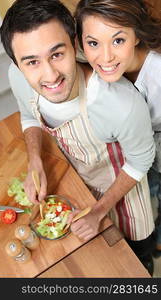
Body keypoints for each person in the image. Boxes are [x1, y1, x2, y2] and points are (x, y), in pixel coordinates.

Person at [0, 0, 156, 275]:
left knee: (134, 263)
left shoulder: (121, 104)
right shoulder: (18, 77)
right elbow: (28, 116)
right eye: (32, 62)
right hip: (77, 188)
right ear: (16, 63)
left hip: (126, 199)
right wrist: (35, 159)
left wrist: (99, 211)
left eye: (57, 54)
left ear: (74, 44)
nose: (49, 75)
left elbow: (140, 161)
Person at [75, 0, 161, 259]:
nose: (106, 57)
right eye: (93, 43)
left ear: (136, 35)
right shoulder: (88, 63)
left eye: (118, 40)